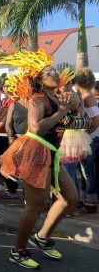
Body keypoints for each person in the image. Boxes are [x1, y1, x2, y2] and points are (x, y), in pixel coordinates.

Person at [0, 51, 78, 269]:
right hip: (36, 151)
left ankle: (42, 237)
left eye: (54, 70)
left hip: (52, 152)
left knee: (69, 198)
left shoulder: (57, 97)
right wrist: (62, 112)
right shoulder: (38, 98)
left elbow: (76, 123)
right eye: (48, 72)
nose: (54, 73)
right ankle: (18, 250)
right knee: (36, 204)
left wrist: (75, 107)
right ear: (39, 80)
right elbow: (35, 127)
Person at [73, 68, 99, 214]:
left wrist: (85, 135)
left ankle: (90, 203)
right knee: (83, 171)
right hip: (90, 137)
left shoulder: (88, 97)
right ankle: (85, 199)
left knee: (87, 171)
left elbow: (96, 120)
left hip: (90, 139)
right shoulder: (86, 96)